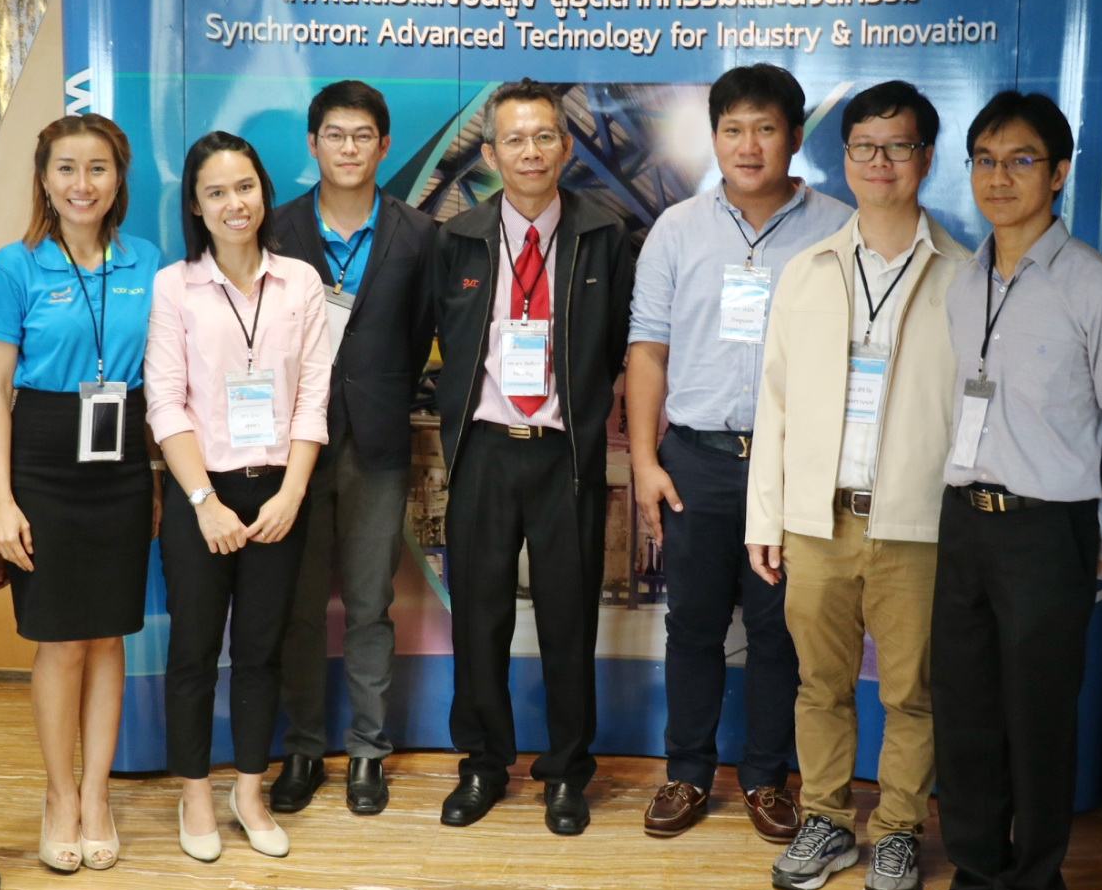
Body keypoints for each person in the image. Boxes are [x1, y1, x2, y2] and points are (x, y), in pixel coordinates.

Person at [894, 91, 1102, 890]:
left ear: (1058, 173)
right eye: (984, 159)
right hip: (965, 520)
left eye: (1020, 160)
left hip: (1051, 529)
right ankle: (974, 879)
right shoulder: (965, 281)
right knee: (966, 712)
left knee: (1036, 721)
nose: (998, 177)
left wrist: (1101, 535)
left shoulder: (1099, 290)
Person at [745, 80, 966, 890]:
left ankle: (900, 828)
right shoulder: (807, 272)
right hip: (819, 519)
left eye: (898, 146)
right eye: (865, 147)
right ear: (845, 159)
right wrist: (767, 516)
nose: (880, 162)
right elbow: (774, 403)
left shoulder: (963, 276)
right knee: (820, 684)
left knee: (912, 691)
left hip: (915, 524)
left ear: (925, 158)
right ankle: (828, 819)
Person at [627, 63, 850, 844]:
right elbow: (648, 350)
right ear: (714, 137)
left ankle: (766, 778)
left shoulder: (839, 230)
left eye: (765, 128)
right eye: (732, 129)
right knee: (691, 623)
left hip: (791, 465)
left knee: (777, 627)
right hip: (696, 457)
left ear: (794, 136)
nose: (748, 145)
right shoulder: (677, 229)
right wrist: (646, 461)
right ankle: (687, 773)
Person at [429, 78, 635, 835]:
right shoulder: (457, 238)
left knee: (567, 620)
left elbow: (614, 346)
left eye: (544, 136)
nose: (530, 152)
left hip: (563, 454)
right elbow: (438, 341)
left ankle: (567, 772)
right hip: (483, 451)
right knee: (477, 618)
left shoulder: (604, 234)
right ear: (489, 154)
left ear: (567, 146)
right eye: (514, 139)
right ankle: (484, 764)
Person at [0, 115, 162, 874]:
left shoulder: (148, 260)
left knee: (109, 635)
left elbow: (163, 381)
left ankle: (97, 796)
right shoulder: (16, 265)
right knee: (60, 639)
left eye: (97, 168)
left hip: (122, 461)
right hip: (43, 461)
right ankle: (59, 796)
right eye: (66, 168)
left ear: (119, 178)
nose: (82, 184)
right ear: (44, 179)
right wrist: (1, 499)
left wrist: (155, 477)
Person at [146, 131, 330, 862]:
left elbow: (313, 397)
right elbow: (165, 403)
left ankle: (248, 789)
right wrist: (203, 501)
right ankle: (195, 791)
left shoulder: (300, 282)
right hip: (202, 495)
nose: (234, 203)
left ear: (264, 191)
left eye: (245, 187)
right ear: (196, 205)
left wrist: (292, 493)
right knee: (193, 650)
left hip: (280, 491)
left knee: (261, 650)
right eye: (216, 191)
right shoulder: (174, 286)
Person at [265, 81, 436, 816]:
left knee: (370, 603)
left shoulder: (418, 233)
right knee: (300, 607)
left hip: (377, 445)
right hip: (291, 448)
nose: (349, 148)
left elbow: (422, 332)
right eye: (334, 134)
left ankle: (368, 750)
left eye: (363, 135)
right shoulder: (274, 228)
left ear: (384, 146)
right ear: (313, 144)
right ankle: (303, 747)